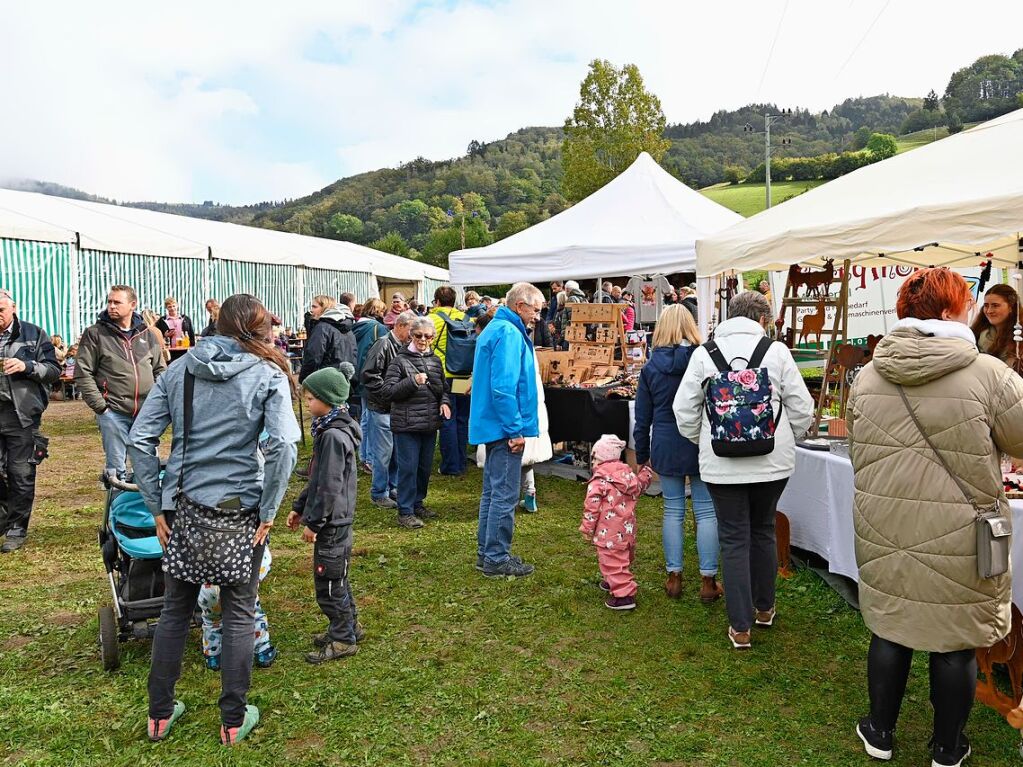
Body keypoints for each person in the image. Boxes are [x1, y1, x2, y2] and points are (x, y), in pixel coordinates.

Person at [847, 268, 1023, 766]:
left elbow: (859, 450)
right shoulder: (989, 374)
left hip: (886, 522)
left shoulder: (867, 376)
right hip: (961, 532)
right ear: (950, 311)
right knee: (956, 642)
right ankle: (948, 746)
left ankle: (880, 731)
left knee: (892, 627)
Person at [128, 294, 300, 746]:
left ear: (216, 323)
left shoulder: (180, 368)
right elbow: (285, 445)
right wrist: (269, 508)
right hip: (241, 510)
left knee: (175, 610)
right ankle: (231, 719)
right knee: (240, 613)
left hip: (184, 505)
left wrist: (155, 504)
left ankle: (159, 715)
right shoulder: (268, 373)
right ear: (259, 327)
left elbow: (140, 440)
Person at [674, 290, 813, 650]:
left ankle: (740, 627)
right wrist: (785, 436)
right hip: (772, 462)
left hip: (722, 464)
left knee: (733, 537)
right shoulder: (776, 352)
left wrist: (706, 439)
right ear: (762, 319)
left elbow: (683, 409)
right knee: (763, 529)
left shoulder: (705, 354)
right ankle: (764, 608)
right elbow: (802, 407)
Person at [634, 305, 720, 601]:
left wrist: (642, 453)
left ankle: (674, 577)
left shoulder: (650, 367)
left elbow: (642, 416)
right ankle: (708, 580)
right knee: (706, 510)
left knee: (673, 510)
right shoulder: (705, 361)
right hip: (699, 440)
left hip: (666, 442)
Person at [288, 364, 365, 664]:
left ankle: (343, 638)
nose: (306, 404)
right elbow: (316, 477)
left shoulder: (333, 436)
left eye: (309, 399)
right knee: (337, 579)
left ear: (328, 399)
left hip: (332, 524)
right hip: (333, 521)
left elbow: (329, 486)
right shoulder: (329, 429)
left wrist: (314, 522)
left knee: (329, 584)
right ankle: (349, 626)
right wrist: (298, 507)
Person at [470, 282, 544, 577]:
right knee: (504, 495)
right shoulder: (509, 333)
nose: (537, 316)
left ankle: (487, 553)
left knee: (493, 492)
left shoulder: (497, 328)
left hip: (494, 423)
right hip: (504, 426)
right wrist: (515, 429)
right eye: (535, 310)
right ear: (519, 306)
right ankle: (496, 558)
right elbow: (504, 387)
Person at [75, 286, 167, 480]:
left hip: (146, 413)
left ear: (132, 305)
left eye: (117, 302)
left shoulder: (147, 335)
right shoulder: (95, 334)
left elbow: (160, 370)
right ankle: (117, 507)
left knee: (149, 465)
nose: (111, 306)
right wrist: (102, 408)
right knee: (117, 470)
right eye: (109, 302)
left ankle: (149, 509)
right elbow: (83, 373)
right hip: (113, 412)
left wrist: (157, 404)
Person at [0, 290, 60, 553]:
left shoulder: (34, 334)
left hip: (20, 413)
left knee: (20, 473)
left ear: (13, 308)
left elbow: (54, 371)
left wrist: (26, 366)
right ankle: (4, 517)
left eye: (1, 310)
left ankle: (16, 529)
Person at [383, 316, 450, 529]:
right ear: (411, 335)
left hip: (429, 424)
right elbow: (388, 391)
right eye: (419, 335)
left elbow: (443, 389)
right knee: (408, 468)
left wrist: (444, 403)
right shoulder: (399, 361)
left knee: (424, 468)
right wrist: (412, 381)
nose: (423, 340)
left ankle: (417, 503)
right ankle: (405, 511)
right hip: (407, 424)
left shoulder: (435, 360)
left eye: (428, 336)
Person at [580, 434, 653, 610]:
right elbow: (641, 485)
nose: (593, 463)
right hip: (626, 530)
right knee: (622, 557)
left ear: (603, 459)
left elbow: (592, 507)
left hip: (608, 532)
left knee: (611, 560)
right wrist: (647, 472)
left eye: (595, 458)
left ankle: (624, 595)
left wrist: (587, 528)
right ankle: (612, 580)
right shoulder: (627, 477)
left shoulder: (599, 482)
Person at [198, 547, 276, 671]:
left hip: (209, 584)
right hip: (240, 573)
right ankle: (262, 649)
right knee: (250, 611)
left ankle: (213, 655)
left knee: (212, 619)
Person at [429, 286, 471, 477]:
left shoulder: (433, 320)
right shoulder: (466, 319)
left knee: (447, 418)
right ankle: (462, 460)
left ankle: (451, 465)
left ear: (437, 301)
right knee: (462, 419)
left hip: (443, 375)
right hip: (465, 375)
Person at [353, 298, 389, 471]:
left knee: (365, 418)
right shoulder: (378, 329)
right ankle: (368, 458)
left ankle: (364, 455)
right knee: (371, 418)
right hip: (372, 376)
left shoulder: (356, 327)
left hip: (358, 375)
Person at [299, 294, 356, 383]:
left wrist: (304, 379)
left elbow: (313, 357)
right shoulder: (348, 329)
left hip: (324, 380)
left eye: (315, 307)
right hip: (344, 380)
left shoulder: (322, 328)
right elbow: (353, 356)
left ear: (324, 308)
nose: (311, 310)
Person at [971, 283, 1020, 371]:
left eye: (995, 305)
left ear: (1011, 307)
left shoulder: (1019, 339)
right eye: (986, 305)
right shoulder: (973, 335)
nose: (989, 311)